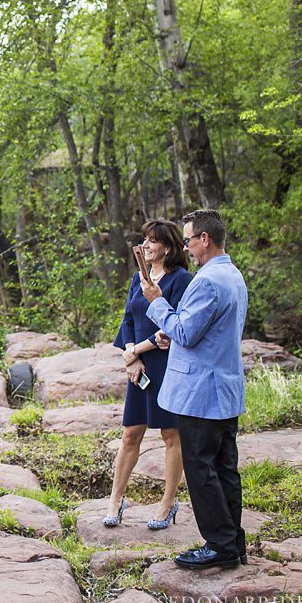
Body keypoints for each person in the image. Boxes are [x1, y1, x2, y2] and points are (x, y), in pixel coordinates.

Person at [142, 209, 248, 570]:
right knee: (224, 467)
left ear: (205, 239)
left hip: (201, 392)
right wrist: (173, 334)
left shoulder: (206, 281)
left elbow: (187, 332)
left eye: (187, 240)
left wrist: (157, 302)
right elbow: (203, 332)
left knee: (201, 468)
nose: (185, 247)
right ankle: (233, 540)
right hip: (225, 388)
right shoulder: (232, 275)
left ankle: (219, 544)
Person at [104, 219, 192, 530]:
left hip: (165, 365)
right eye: (144, 239)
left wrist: (137, 352)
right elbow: (128, 317)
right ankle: (116, 498)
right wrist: (130, 357)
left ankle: (168, 502)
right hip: (138, 367)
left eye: (152, 241)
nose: (146, 245)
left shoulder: (180, 280)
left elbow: (170, 331)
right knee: (130, 434)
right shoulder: (137, 278)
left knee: (171, 435)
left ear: (167, 247)